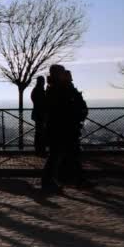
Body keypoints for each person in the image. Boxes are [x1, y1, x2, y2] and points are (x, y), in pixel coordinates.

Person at [41, 64, 72, 193]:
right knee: (55, 156)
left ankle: (50, 181)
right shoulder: (57, 88)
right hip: (57, 127)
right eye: (62, 72)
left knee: (55, 156)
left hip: (56, 126)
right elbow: (61, 107)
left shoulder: (52, 87)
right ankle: (48, 182)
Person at [59, 70, 91, 187]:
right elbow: (78, 107)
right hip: (70, 126)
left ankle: (66, 178)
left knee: (67, 154)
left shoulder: (61, 90)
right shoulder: (69, 91)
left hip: (67, 126)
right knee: (73, 153)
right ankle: (78, 179)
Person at [30, 76, 46, 156]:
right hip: (41, 114)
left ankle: (38, 150)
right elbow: (43, 102)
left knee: (38, 133)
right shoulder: (40, 90)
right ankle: (41, 150)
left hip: (37, 114)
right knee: (41, 133)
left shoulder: (35, 90)